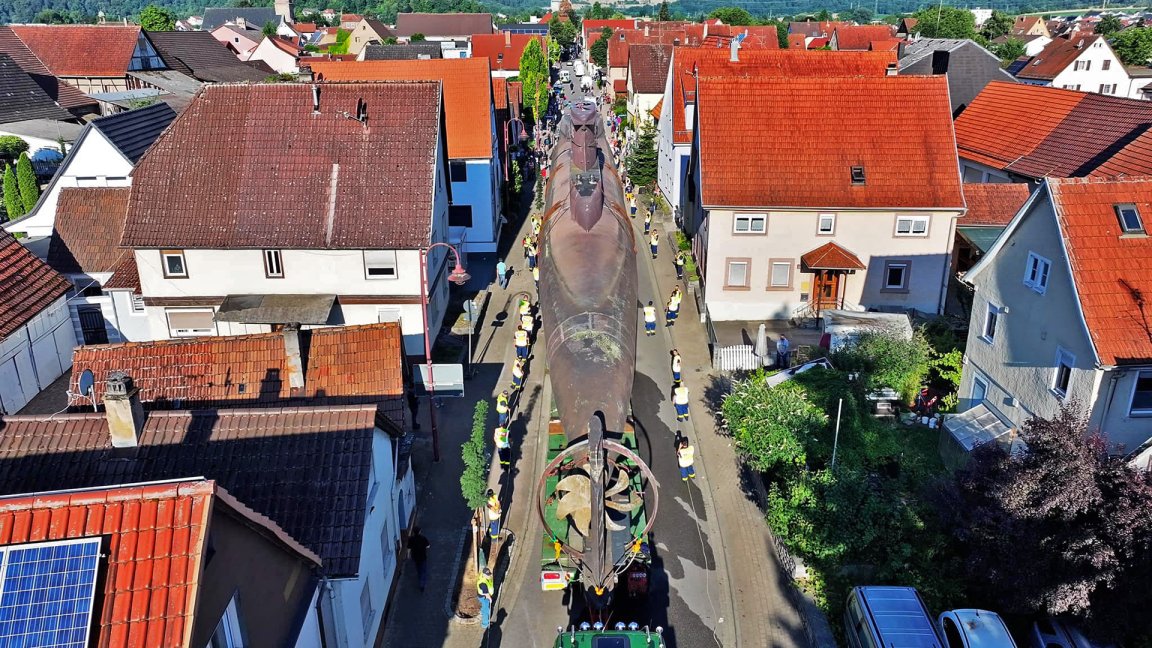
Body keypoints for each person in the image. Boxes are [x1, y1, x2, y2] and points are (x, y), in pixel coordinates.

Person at [407, 526, 431, 591]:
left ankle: (420, 578)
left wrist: (408, 555)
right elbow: (428, 546)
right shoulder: (423, 538)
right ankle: (422, 584)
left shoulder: (411, 539)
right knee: (423, 570)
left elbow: (409, 547)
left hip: (415, 557)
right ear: (419, 532)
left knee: (418, 569)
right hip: (422, 556)